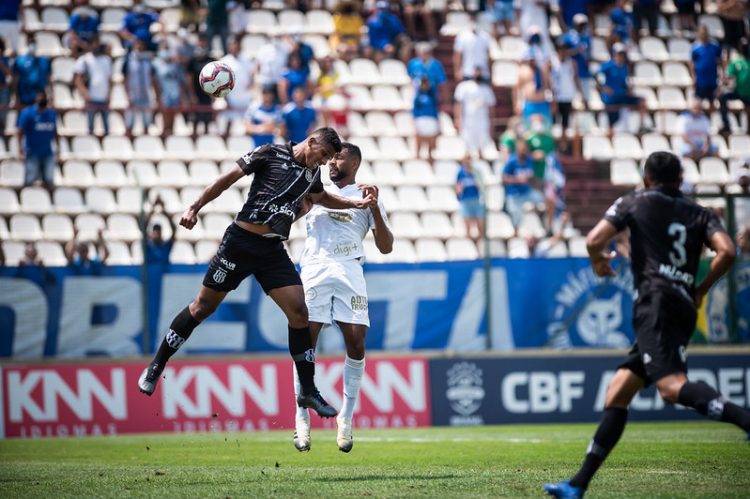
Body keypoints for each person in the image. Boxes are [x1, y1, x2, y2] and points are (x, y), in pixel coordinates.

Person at [543, 151, 750, 499]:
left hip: (655, 302)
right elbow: (727, 251)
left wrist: (598, 261)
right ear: (680, 179)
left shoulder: (633, 201)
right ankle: (577, 485)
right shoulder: (699, 212)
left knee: (670, 387)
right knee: (620, 389)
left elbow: (595, 239)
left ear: (646, 178)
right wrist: (699, 288)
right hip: (681, 304)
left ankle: (745, 419)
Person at [137, 128, 376, 422]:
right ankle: (157, 364)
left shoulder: (312, 175)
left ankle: (308, 389)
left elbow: (322, 197)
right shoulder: (269, 153)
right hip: (240, 242)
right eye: (323, 154)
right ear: (311, 142)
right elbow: (227, 179)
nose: (324, 162)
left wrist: (355, 203)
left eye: (329, 158)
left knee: (300, 313)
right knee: (202, 307)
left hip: (271, 250)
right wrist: (195, 207)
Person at [292, 142, 393, 453]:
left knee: (357, 342)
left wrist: (374, 206)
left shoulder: (366, 197)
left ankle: (346, 418)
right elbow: (288, 219)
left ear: (355, 163)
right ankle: (301, 417)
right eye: (330, 157)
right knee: (306, 343)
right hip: (315, 268)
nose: (332, 162)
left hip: (350, 269)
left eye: (339, 157)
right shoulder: (314, 189)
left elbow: (386, 246)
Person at [597, 43, 648, 137]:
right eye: (619, 54)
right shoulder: (607, 66)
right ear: (614, 54)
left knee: (642, 101)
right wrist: (604, 89)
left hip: (622, 96)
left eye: (622, 54)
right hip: (611, 98)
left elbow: (625, 83)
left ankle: (641, 126)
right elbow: (596, 78)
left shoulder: (625, 68)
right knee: (612, 113)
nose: (621, 56)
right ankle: (610, 132)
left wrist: (629, 90)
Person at [502, 137, 544, 233]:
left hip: (527, 192)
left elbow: (531, 176)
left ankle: (540, 223)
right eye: (521, 148)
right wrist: (517, 180)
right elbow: (504, 178)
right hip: (514, 195)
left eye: (525, 148)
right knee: (517, 219)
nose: (523, 151)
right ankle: (516, 234)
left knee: (541, 200)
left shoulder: (529, 160)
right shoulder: (511, 161)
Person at [17, 93, 57, 189]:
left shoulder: (51, 114)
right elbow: (20, 131)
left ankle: (48, 201)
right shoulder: (27, 113)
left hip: (47, 152)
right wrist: (20, 146)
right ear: (36, 100)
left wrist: (57, 146)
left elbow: (55, 131)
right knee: (30, 180)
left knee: (49, 180)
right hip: (32, 152)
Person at [454, 66, 496, 157]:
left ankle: (481, 159)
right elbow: (458, 104)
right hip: (468, 120)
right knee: (467, 144)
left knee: (481, 145)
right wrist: (457, 118)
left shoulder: (487, 89)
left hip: (482, 121)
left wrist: (492, 121)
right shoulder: (464, 87)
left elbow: (491, 108)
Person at [73, 42, 113, 136]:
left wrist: (109, 94)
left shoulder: (106, 60)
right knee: (90, 127)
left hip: (104, 97)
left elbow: (109, 79)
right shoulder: (85, 59)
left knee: (107, 128)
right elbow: (78, 79)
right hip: (90, 97)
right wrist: (84, 93)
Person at [153, 46, 188, 137]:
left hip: (175, 94)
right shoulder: (159, 66)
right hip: (164, 94)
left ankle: (170, 131)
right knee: (165, 113)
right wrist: (157, 96)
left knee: (173, 113)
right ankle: (165, 131)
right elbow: (156, 82)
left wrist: (182, 96)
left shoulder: (176, 66)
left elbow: (180, 82)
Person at [123, 37, 156, 136]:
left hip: (146, 94)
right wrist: (128, 95)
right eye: (138, 44)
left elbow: (152, 78)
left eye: (142, 44)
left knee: (146, 122)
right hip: (133, 94)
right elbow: (125, 79)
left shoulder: (148, 60)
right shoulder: (129, 60)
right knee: (129, 122)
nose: (140, 46)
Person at [718, 39, 750, 134]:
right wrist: (720, 88)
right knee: (722, 98)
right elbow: (728, 77)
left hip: (749, 94)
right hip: (739, 92)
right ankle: (726, 125)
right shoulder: (736, 63)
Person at [220, 36, 256, 120]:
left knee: (248, 122)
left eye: (236, 44)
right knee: (228, 124)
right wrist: (226, 99)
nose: (234, 47)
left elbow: (252, 73)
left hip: (245, 97)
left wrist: (251, 84)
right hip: (231, 98)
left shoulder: (246, 58)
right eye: (232, 44)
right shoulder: (224, 61)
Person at [691, 24, 723, 114]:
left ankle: (710, 120)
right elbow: (692, 63)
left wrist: (722, 74)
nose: (703, 35)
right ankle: (700, 120)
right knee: (698, 101)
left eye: (705, 33)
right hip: (700, 80)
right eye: (701, 33)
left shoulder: (714, 46)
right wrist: (693, 77)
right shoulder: (695, 47)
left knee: (712, 101)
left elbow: (720, 61)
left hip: (712, 79)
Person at [186, 35, 214, 136]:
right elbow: (189, 79)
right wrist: (192, 95)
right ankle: (193, 142)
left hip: (207, 95)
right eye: (200, 42)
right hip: (196, 94)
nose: (202, 44)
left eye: (203, 42)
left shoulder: (211, 60)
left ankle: (206, 142)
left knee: (207, 120)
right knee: (195, 120)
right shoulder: (192, 60)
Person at [515, 54, 553, 127]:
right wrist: (517, 103)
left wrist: (553, 102)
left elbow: (550, 87)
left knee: (546, 127)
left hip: (543, 103)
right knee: (528, 128)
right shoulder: (523, 71)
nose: (531, 62)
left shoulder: (543, 71)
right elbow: (517, 89)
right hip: (529, 104)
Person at [452, 13, 491, 81]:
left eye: (474, 19)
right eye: (471, 19)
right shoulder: (462, 36)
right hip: (467, 73)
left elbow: (489, 55)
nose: (473, 21)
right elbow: (457, 55)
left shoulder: (485, 36)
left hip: (483, 73)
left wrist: (489, 71)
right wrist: (457, 70)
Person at [455, 155, 485, 243]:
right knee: (467, 225)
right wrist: (459, 191)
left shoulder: (476, 172)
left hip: (476, 199)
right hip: (465, 200)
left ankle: (480, 245)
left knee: (480, 224)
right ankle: (469, 245)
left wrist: (478, 184)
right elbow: (457, 188)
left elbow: (482, 187)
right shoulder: (460, 173)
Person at [12, 42, 51, 107]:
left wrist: (51, 96)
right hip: (24, 98)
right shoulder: (19, 61)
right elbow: (15, 81)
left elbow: (49, 80)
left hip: (40, 98)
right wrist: (16, 97)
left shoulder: (44, 61)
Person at [144, 195, 176, 268]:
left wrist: (164, 210)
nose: (156, 234)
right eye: (155, 231)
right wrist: (152, 209)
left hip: (164, 275)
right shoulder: (148, 246)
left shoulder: (166, 246)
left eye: (158, 231)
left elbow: (174, 229)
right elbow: (144, 227)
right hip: (150, 275)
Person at [413, 76, 439, 163]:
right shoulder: (418, 96)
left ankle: (430, 155)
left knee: (431, 138)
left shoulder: (432, 95)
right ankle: (417, 154)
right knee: (419, 136)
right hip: (421, 118)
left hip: (431, 118)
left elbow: (436, 108)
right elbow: (415, 109)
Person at [0, 38, 11, 138]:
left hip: (2, 88)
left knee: (3, 110)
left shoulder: (5, 59)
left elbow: (8, 73)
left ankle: (2, 129)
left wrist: (1, 64)